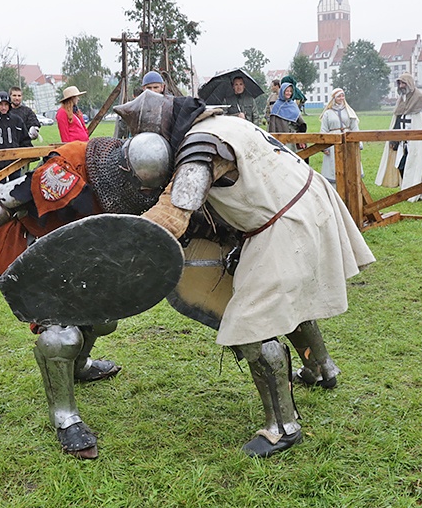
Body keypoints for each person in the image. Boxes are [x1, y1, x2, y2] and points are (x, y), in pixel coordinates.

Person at [114, 91, 375, 459]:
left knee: (253, 321)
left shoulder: (198, 148)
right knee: (283, 299)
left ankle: (283, 427)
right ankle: (319, 367)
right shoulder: (224, 124)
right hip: (308, 199)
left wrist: (122, 244)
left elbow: (175, 210)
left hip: (284, 222)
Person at [0, 131, 173, 460]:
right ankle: (65, 417)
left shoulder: (141, 189)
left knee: (104, 320)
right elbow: (8, 198)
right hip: (30, 250)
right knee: (62, 336)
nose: (144, 193)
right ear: (122, 168)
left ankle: (80, 366)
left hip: (84, 260)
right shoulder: (68, 165)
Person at [374, 73, 422, 202]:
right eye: (399, 83)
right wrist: (394, 138)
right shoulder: (402, 99)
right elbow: (398, 119)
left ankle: (418, 191)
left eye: (403, 83)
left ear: (409, 83)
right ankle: (407, 189)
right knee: (401, 164)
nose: (401, 86)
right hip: (404, 141)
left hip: (418, 141)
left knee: (416, 164)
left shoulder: (421, 99)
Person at [0, 91, 33, 182]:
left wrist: (26, 155)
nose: (3, 107)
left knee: (16, 190)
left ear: (9, 105)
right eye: (1, 104)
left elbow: (25, 140)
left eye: (6, 104)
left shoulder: (17, 120)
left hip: (15, 163)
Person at [319, 88, 361, 184]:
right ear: (334, 98)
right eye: (339, 96)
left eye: (343, 96)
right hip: (333, 144)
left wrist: (359, 143)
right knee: (333, 167)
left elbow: (355, 128)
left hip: (348, 142)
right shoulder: (327, 113)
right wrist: (324, 147)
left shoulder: (349, 111)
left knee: (349, 165)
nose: (341, 98)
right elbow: (324, 130)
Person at [267, 82, 307, 153]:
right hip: (283, 139)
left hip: (294, 139)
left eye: (290, 91)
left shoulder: (293, 105)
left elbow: (301, 123)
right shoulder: (277, 106)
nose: (289, 93)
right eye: (287, 91)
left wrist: (301, 136)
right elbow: (272, 126)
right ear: (283, 91)